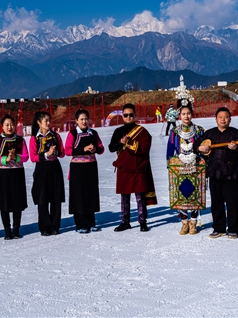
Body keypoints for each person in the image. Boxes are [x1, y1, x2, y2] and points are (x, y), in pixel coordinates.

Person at [195, 107, 238, 239]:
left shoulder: (235, 133)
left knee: (232, 203)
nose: (223, 119)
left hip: (230, 173)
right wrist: (200, 148)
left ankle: (234, 229)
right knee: (216, 203)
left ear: (230, 119)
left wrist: (236, 148)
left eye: (226, 117)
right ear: (216, 119)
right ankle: (219, 228)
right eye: (220, 117)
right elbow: (196, 145)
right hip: (214, 172)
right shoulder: (209, 133)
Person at [108, 103, 157, 233]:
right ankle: (125, 222)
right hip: (124, 167)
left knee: (140, 197)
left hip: (138, 168)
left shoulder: (142, 131)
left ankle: (142, 221)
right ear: (122, 116)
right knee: (124, 198)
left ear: (135, 116)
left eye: (131, 115)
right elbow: (111, 147)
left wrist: (130, 143)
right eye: (126, 115)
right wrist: (120, 143)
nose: (128, 117)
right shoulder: (118, 131)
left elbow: (145, 147)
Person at [166, 97, 206, 235]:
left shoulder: (199, 130)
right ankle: (184, 222)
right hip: (179, 167)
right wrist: (170, 164)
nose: (186, 116)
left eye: (188, 113)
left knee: (195, 193)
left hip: (196, 166)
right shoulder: (175, 132)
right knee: (181, 193)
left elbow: (205, 147)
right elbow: (170, 149)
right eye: (183, 114)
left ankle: (193, 222)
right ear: (179, 115)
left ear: (192, 113)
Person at [64, 109, 105, 233]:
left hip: (91, 167)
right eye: (81, 119)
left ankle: (91, 222)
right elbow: (67, 151)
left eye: (86, 119)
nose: (84, 121)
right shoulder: (72, 134)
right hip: (77, 168)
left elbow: (101, 148)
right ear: (76, 121)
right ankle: (80, 224)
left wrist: (95, 149)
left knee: (90, 194)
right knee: (79, 195)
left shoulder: (93, 133)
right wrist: (83, 149)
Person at [0, 114, 29, 240]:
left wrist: (16, 157)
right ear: (2, 127)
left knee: (17, 201)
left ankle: (16, 229)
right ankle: (7, 230)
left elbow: (26, 156)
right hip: (3, 173)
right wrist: (5, 159)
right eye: (7, 125)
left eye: (12, 124)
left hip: (17, 172)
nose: (10, 127)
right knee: (4, 201)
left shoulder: (20, 140)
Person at [29, 111, 66, 236]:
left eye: (49, 121)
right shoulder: (34, 138)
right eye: (46, 121)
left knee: (56, 197)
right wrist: (46, 154)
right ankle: (44, 227)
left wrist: (56, 152)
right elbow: (33, 157)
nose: (48, 123)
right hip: (41, 169)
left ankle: (55, 226)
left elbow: (63, 152)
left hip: (54, 167)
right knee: (42, 198)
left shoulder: (56, 136)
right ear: (39, 122)